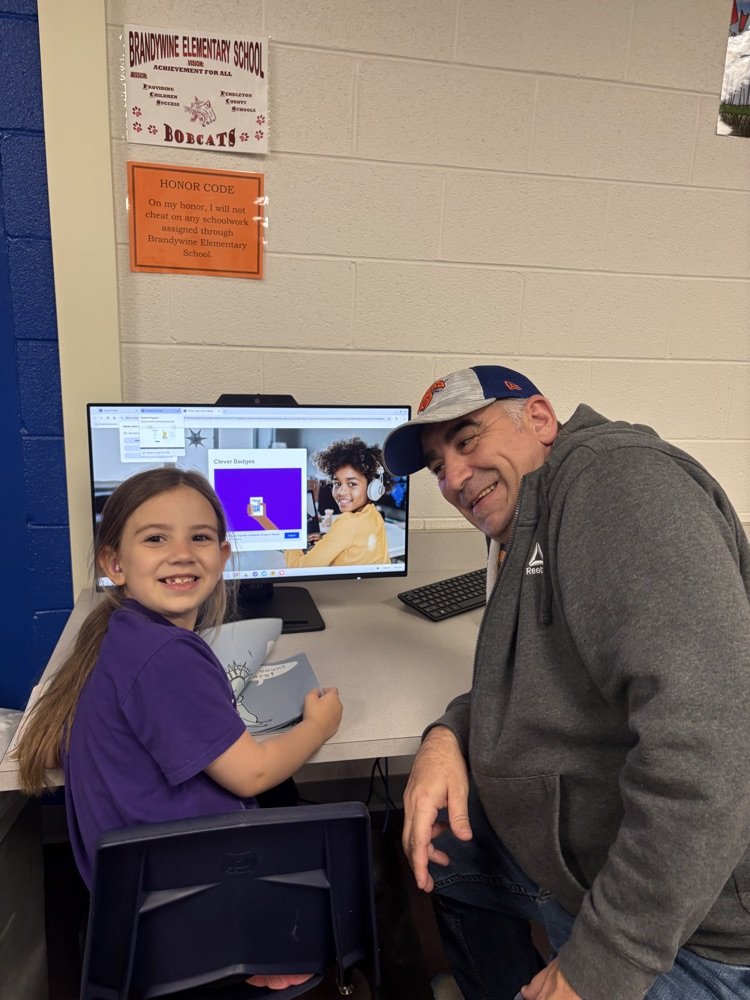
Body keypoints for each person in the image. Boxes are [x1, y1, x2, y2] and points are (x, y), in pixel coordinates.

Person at [382, 365, 750, 1000]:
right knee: (442, 847)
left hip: (696, 932)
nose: (455, 479)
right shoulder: (527, 523)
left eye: (466, 440)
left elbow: (712, 747)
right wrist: (448, 735)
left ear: (541, 419)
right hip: (580, 856)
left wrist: (600, 966)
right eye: (439, 466)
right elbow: (527, 678)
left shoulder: (620, 486)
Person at [15, 467, 343, 992]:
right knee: (350, 860)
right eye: (155, 538)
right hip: (186, 904)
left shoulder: (119, 633)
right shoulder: (167, 656)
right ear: (114, 563)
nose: (182, 553)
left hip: (134, 892)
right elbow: (252, 774)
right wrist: (319, 725)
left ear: (223, 555)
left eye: (200, 538)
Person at [283, 436, 393, 568]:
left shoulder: (347, 522)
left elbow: (300, 567)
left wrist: (291, 544)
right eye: (337, 483)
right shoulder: (374, 514)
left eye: (352, 483)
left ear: (372, 487)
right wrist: (326, 541)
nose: (341, 491)